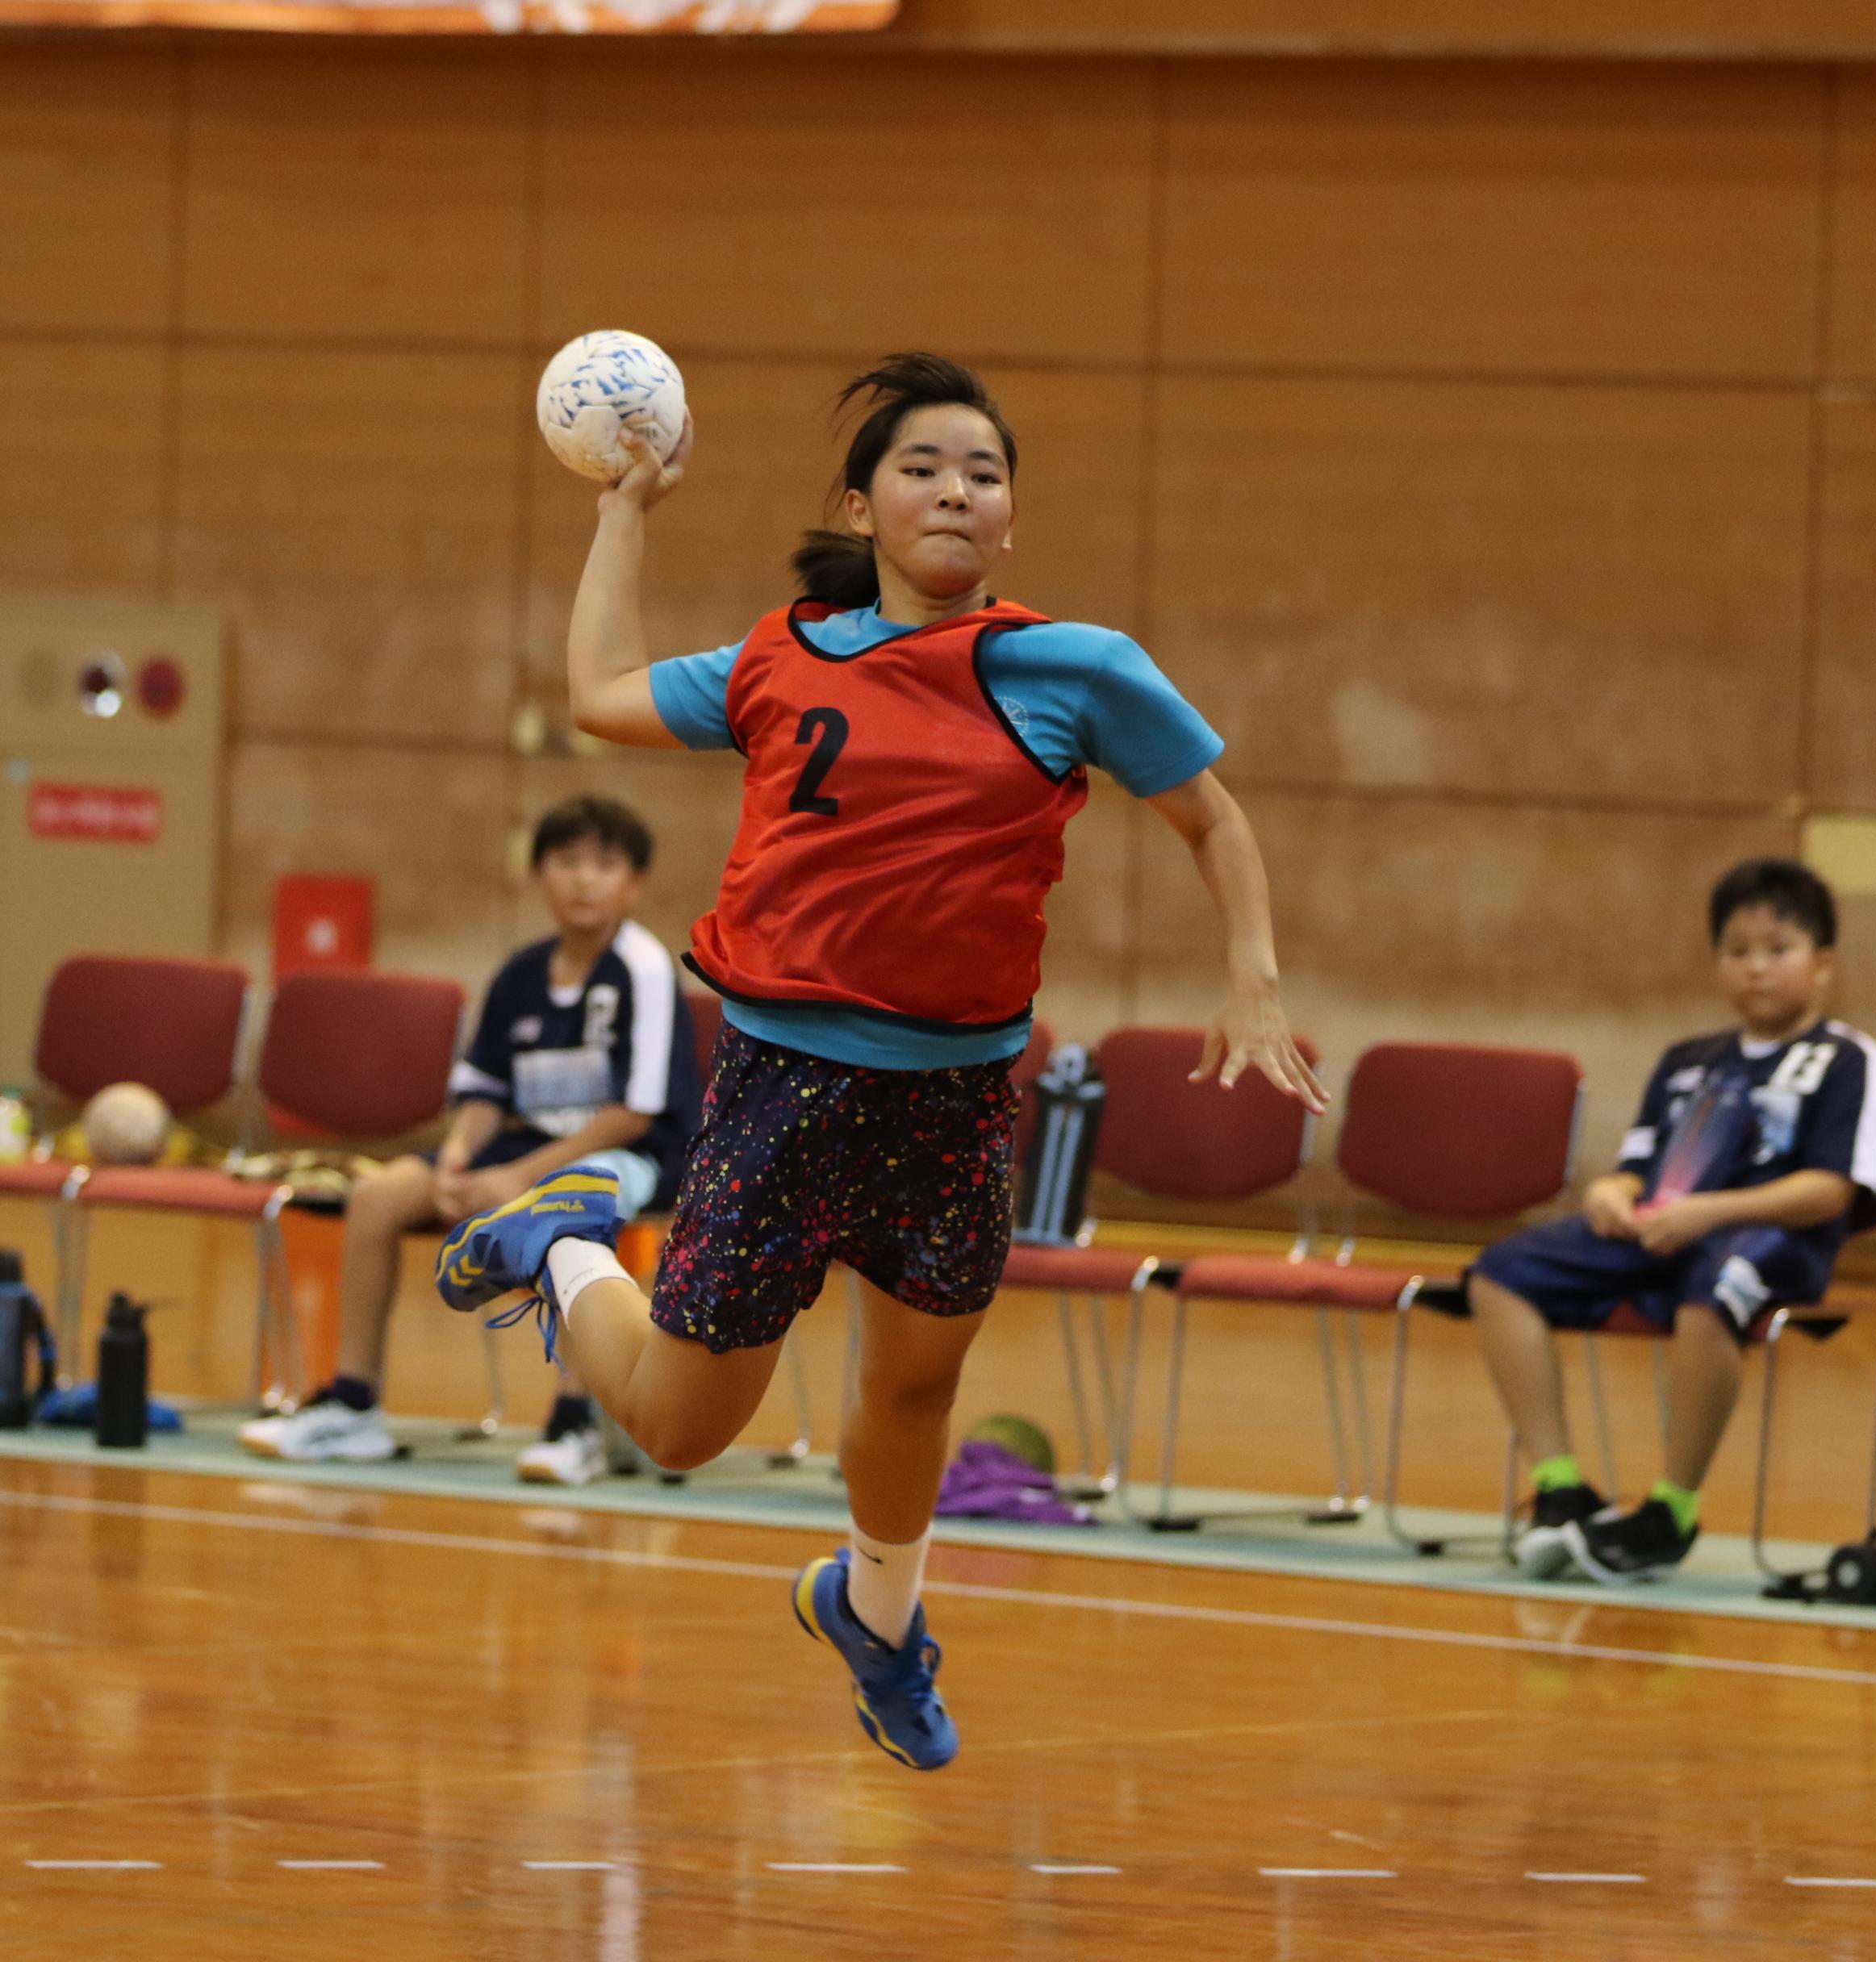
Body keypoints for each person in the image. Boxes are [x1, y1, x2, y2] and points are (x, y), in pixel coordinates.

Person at [429, 353, 1321, 1772]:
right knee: (677, 1430)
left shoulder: (1076, 669)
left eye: (983, 472)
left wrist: (1253, 976)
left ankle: (880, 1619)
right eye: (923, 467)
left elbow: (1213, 819)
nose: (956, 490)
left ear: (1010, 515)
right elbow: (598, 692)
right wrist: (622, 511)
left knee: (911, 1393)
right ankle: (565, 1247)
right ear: (862, 505)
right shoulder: (781, 659)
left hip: (956, 1095)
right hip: (782, 1084)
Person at [238, 796, 698, 1484]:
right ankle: (354, 1406)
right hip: (526, 1150)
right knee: (378, 1197)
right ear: (538, 874)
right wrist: (457, 1158)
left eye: (605, 865)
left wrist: (520, 1180)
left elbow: (633, 1113)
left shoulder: (644, 968)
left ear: (635, 884)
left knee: (567, 1207)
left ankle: (577, 1424)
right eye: (567, 861)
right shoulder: (521, 974)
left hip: (639, 1155)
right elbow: (483, 1092)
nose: (583, 879)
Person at [1467, 858, 1876, 1584]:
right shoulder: (1687, 1061)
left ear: (1823, 964)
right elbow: (1638, 1166)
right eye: (1737, 951)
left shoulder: (1847, 1062)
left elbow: (1830, 1190)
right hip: (1662, 1231)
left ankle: (1672, 1508)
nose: (1755, 968)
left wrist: (1710, 1213)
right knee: (1500, 1274)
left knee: (1713, 1290)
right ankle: (1561, 1487)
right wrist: (1611, 1194)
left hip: (1774, 1240)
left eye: (1778, 950)